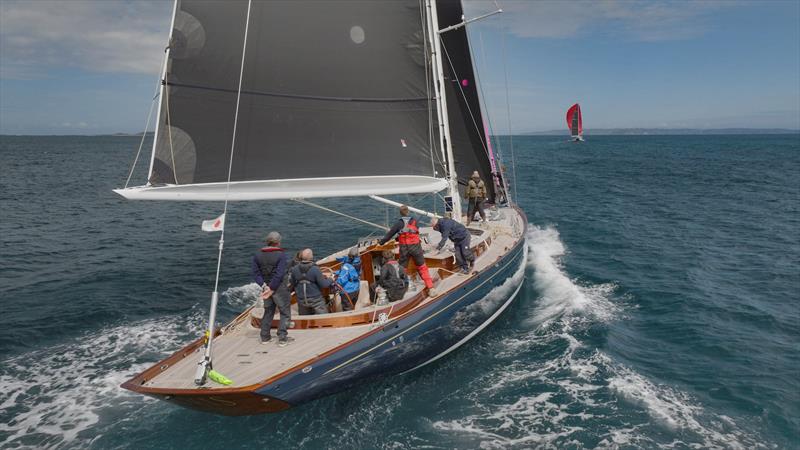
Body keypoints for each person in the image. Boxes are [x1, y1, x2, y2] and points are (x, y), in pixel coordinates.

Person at [378, 205, 436, 296]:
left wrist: (381, 243)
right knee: (422, 267)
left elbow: (389, 235)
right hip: (416, 247)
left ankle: (401, 288)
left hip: (404, 248)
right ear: (408, 212)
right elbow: (415, 231)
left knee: (402, 269)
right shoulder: (415, 221)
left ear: (400, 213)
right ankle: (431, 288)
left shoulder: (399, 223)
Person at [251, 231, 291, 346]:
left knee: (268, 311)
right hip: (279, 288)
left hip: (265, 287)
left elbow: (255, 273)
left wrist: (264, 286)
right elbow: (279, 274)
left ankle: (265, 337)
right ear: (278, 242)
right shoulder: (281, 255)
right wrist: (272, 288)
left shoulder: (257, 255)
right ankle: (282, 338)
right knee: (285, 312)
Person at [289, 248, 333, 315]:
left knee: (304, 319)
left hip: (301, 300)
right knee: (323, 317)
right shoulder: (315, 269)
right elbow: (324, 285)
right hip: (316, 300)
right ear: (311, 257)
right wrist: (331, 279)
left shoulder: (294, 269)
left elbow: (292, 284)